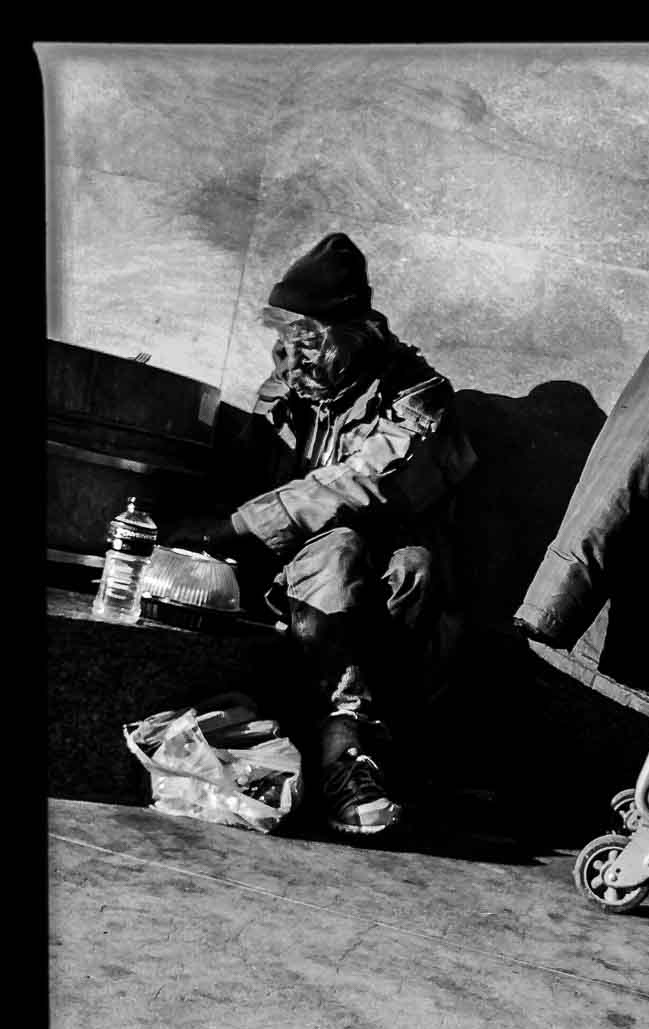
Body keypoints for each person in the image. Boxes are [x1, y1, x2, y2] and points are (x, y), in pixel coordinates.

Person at [163, 233, 477, 836]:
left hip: (379, 554)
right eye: (285, 338)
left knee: (390, 562)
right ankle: (333, 749)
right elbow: (248, 473)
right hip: (292, 564)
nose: (291, 353)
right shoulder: (287, 384)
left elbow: (363, 483)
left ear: (352, 333)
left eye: (308, 339)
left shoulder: (419, 395)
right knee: (333, 555)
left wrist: (237, 526)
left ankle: (346, 747)